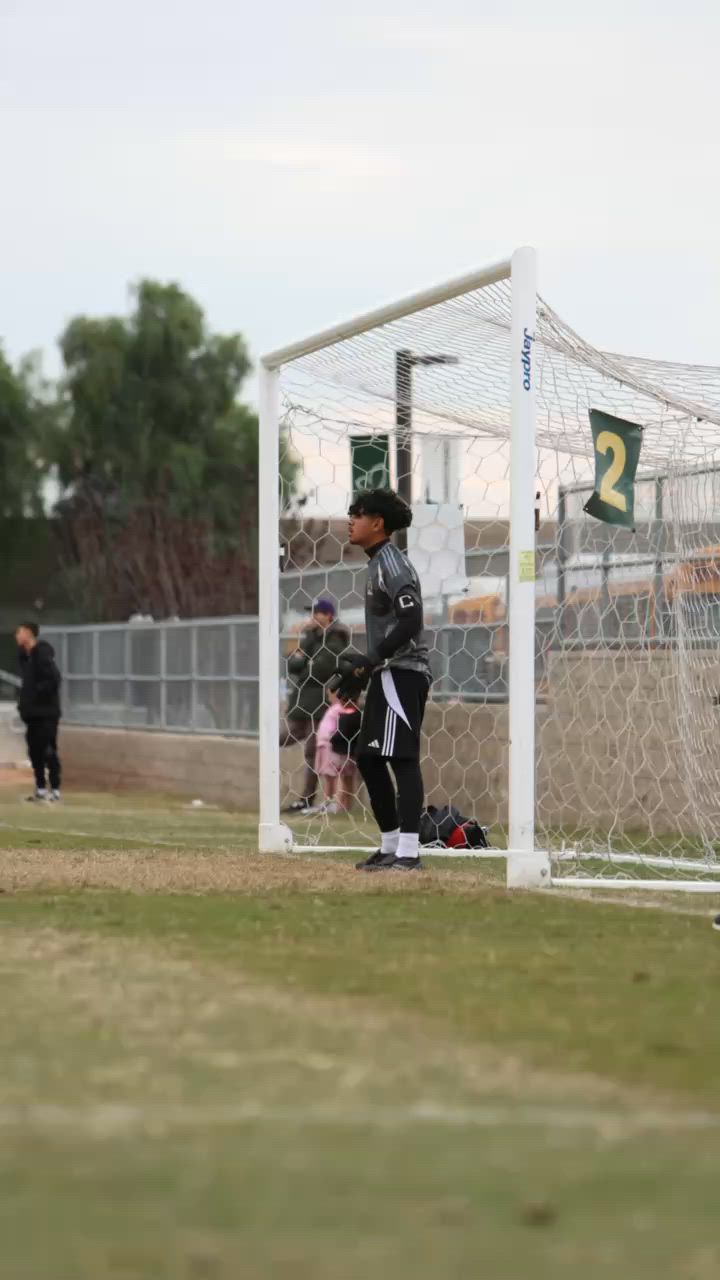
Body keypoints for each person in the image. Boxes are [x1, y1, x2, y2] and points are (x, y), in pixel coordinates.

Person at [336, 489, 431, 871]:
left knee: (401, 759)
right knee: (370, 759)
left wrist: (372, 659)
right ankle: (391, 844)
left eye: (357, 514)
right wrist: (364, 671)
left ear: (377, 522)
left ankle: (409, 853)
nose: (350, 520)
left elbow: (412, 619)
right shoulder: (376, 563)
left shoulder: (393, 564)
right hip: (387, 673)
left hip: (404, 672)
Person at [280, 598, 351, 813]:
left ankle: (307, 798)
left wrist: (305, 661)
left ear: (329, 615)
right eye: (312, 612)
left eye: (318, 612)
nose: (313, 617)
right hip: (301, 703)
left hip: (318, 704)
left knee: (312, 751)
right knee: (282, 736)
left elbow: (319, 670)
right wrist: (306, 654)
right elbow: (293, 664)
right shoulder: (312, 638)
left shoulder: (335, 641)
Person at [15, 621, 62, 802]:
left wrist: (37, 694)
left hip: (47, 713)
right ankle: (40, 788)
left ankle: (55, 789)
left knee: (48, 750)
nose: (17, 636)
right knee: (34, 751)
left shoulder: (42, 653)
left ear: (28, 633)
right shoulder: (23, 656)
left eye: (19, 632)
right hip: (31, 714)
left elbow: (54, 679)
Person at [308, 687, 361, 815]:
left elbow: (346, 722)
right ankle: (330, 803)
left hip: (330, 746)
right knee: (330, 776)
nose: (328, 695)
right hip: (324, 745)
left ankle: (335, 804)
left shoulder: (340, 709)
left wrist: (330, 737)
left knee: (335, 775)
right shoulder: (334, 708)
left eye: (330, 693)